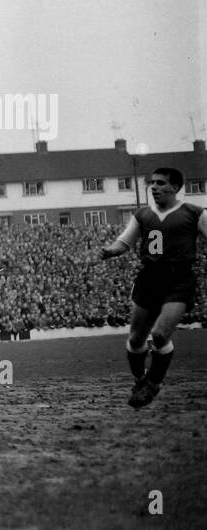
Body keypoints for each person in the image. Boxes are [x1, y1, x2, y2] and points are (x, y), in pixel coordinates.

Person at [93, 167, 206, 407]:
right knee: (136, 340)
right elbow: (125, 241)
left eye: (161, 183)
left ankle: (153, 385)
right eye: (152, 183)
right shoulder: (143, 214)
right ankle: (140, 380)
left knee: (160, 334)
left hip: (179, 280)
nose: (154, 187)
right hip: (149, 279)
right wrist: (112, 250)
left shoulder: (195, 213)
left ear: (175, 188)